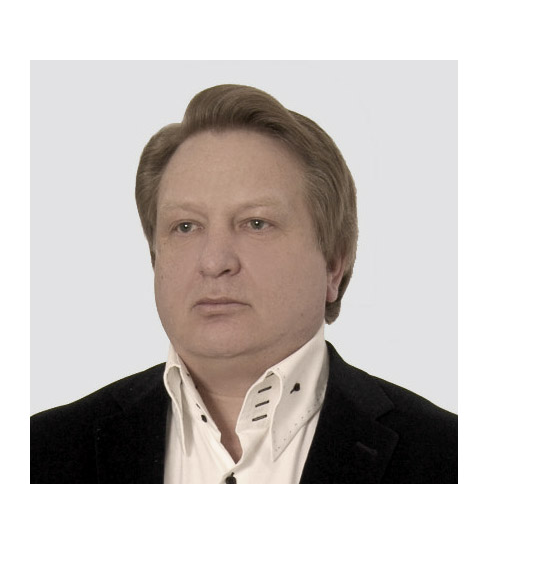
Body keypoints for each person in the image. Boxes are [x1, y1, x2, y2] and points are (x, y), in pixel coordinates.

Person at [30, 84, 457, 484]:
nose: (214, 262)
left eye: (256, 223)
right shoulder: (40, 453)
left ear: (334, 264)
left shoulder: (448, 457)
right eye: (185, 226)